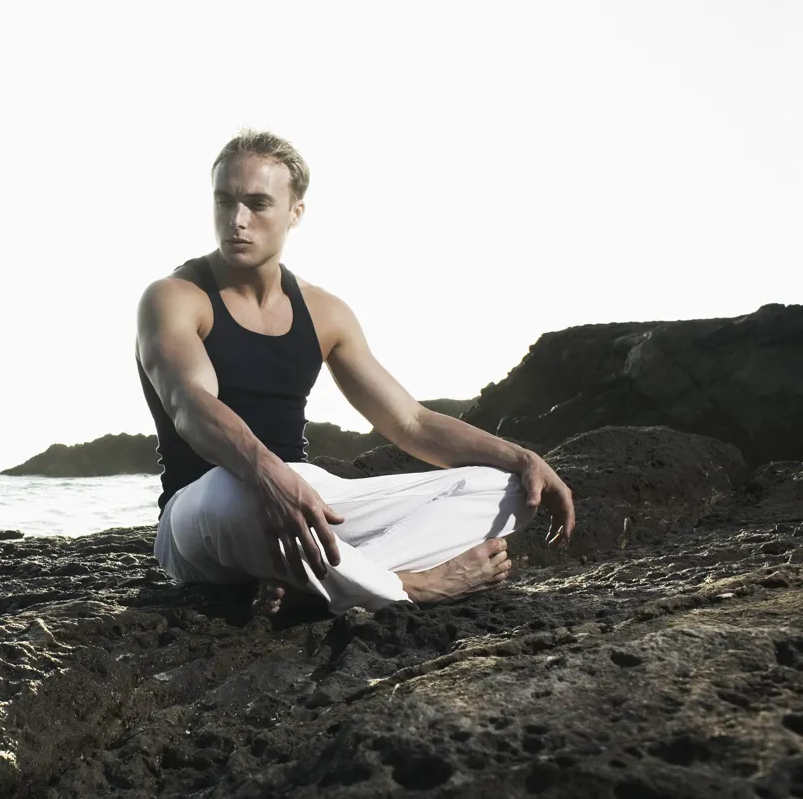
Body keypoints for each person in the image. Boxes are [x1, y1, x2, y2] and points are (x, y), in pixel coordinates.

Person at [135, 129, 575, 616]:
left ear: (295, 212)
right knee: (229, 487)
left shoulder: (326, 312)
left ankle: (317, 587)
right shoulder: (174, 297)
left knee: (507, 487)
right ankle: (410, 587)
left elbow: (410, 423)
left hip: (308, 499)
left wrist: (523, 457)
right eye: (225, 201)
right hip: (206, 513)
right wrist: (269, 476)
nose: (237, 221)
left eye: (258, 204)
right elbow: (190, 404)